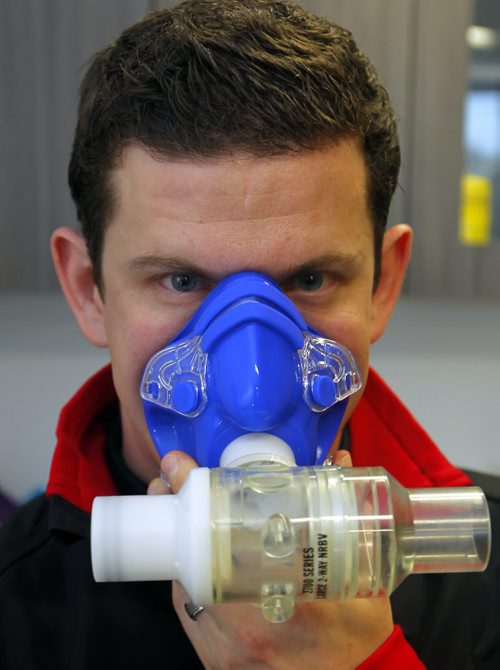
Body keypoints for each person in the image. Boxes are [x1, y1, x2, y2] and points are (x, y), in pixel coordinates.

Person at [0, 1, 498, 668]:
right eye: (181, 281)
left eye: (310, 278)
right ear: (90, 290)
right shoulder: (14, 605)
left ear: (383, 284)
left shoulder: (485, 583)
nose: (253, 385)